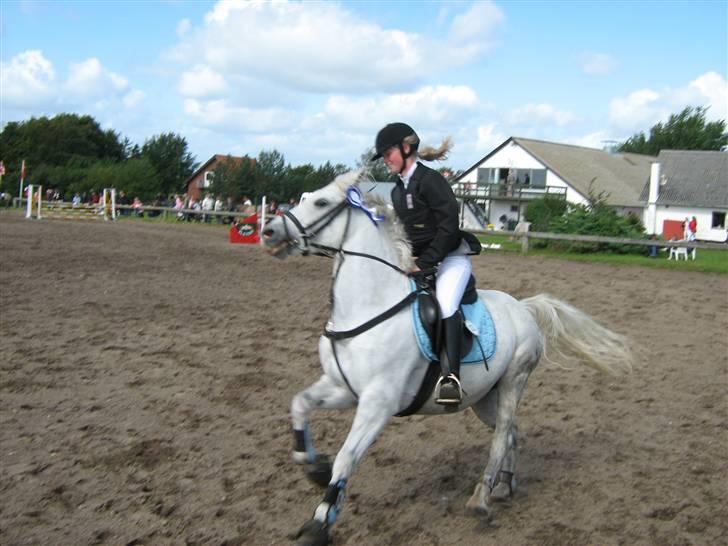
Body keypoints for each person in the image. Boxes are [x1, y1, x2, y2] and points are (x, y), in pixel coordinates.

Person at [371, 122, 481, 406]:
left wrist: (426, 262)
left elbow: (448, 228)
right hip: (421, 262)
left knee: (445, 303)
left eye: (388, 153)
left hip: (451, 260)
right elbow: (405, 232)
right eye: (383, 156)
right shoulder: (397, 190)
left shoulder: (431, 181)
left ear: (406, 149)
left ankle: (451, 378)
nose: (386, 160)